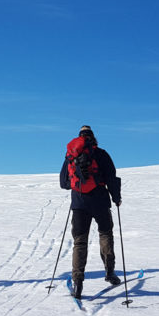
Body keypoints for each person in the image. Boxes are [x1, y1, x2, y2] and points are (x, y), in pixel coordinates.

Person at [60, 126, 122, 299]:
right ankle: (110, 272)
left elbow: (64, 183)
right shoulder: (101, 154)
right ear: (93, 138)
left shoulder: (71, 156)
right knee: (106, 234)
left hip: (79, 203)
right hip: (100, 201)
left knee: (80, 242)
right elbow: (111, 178)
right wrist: (116, 198)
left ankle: (78, 283)